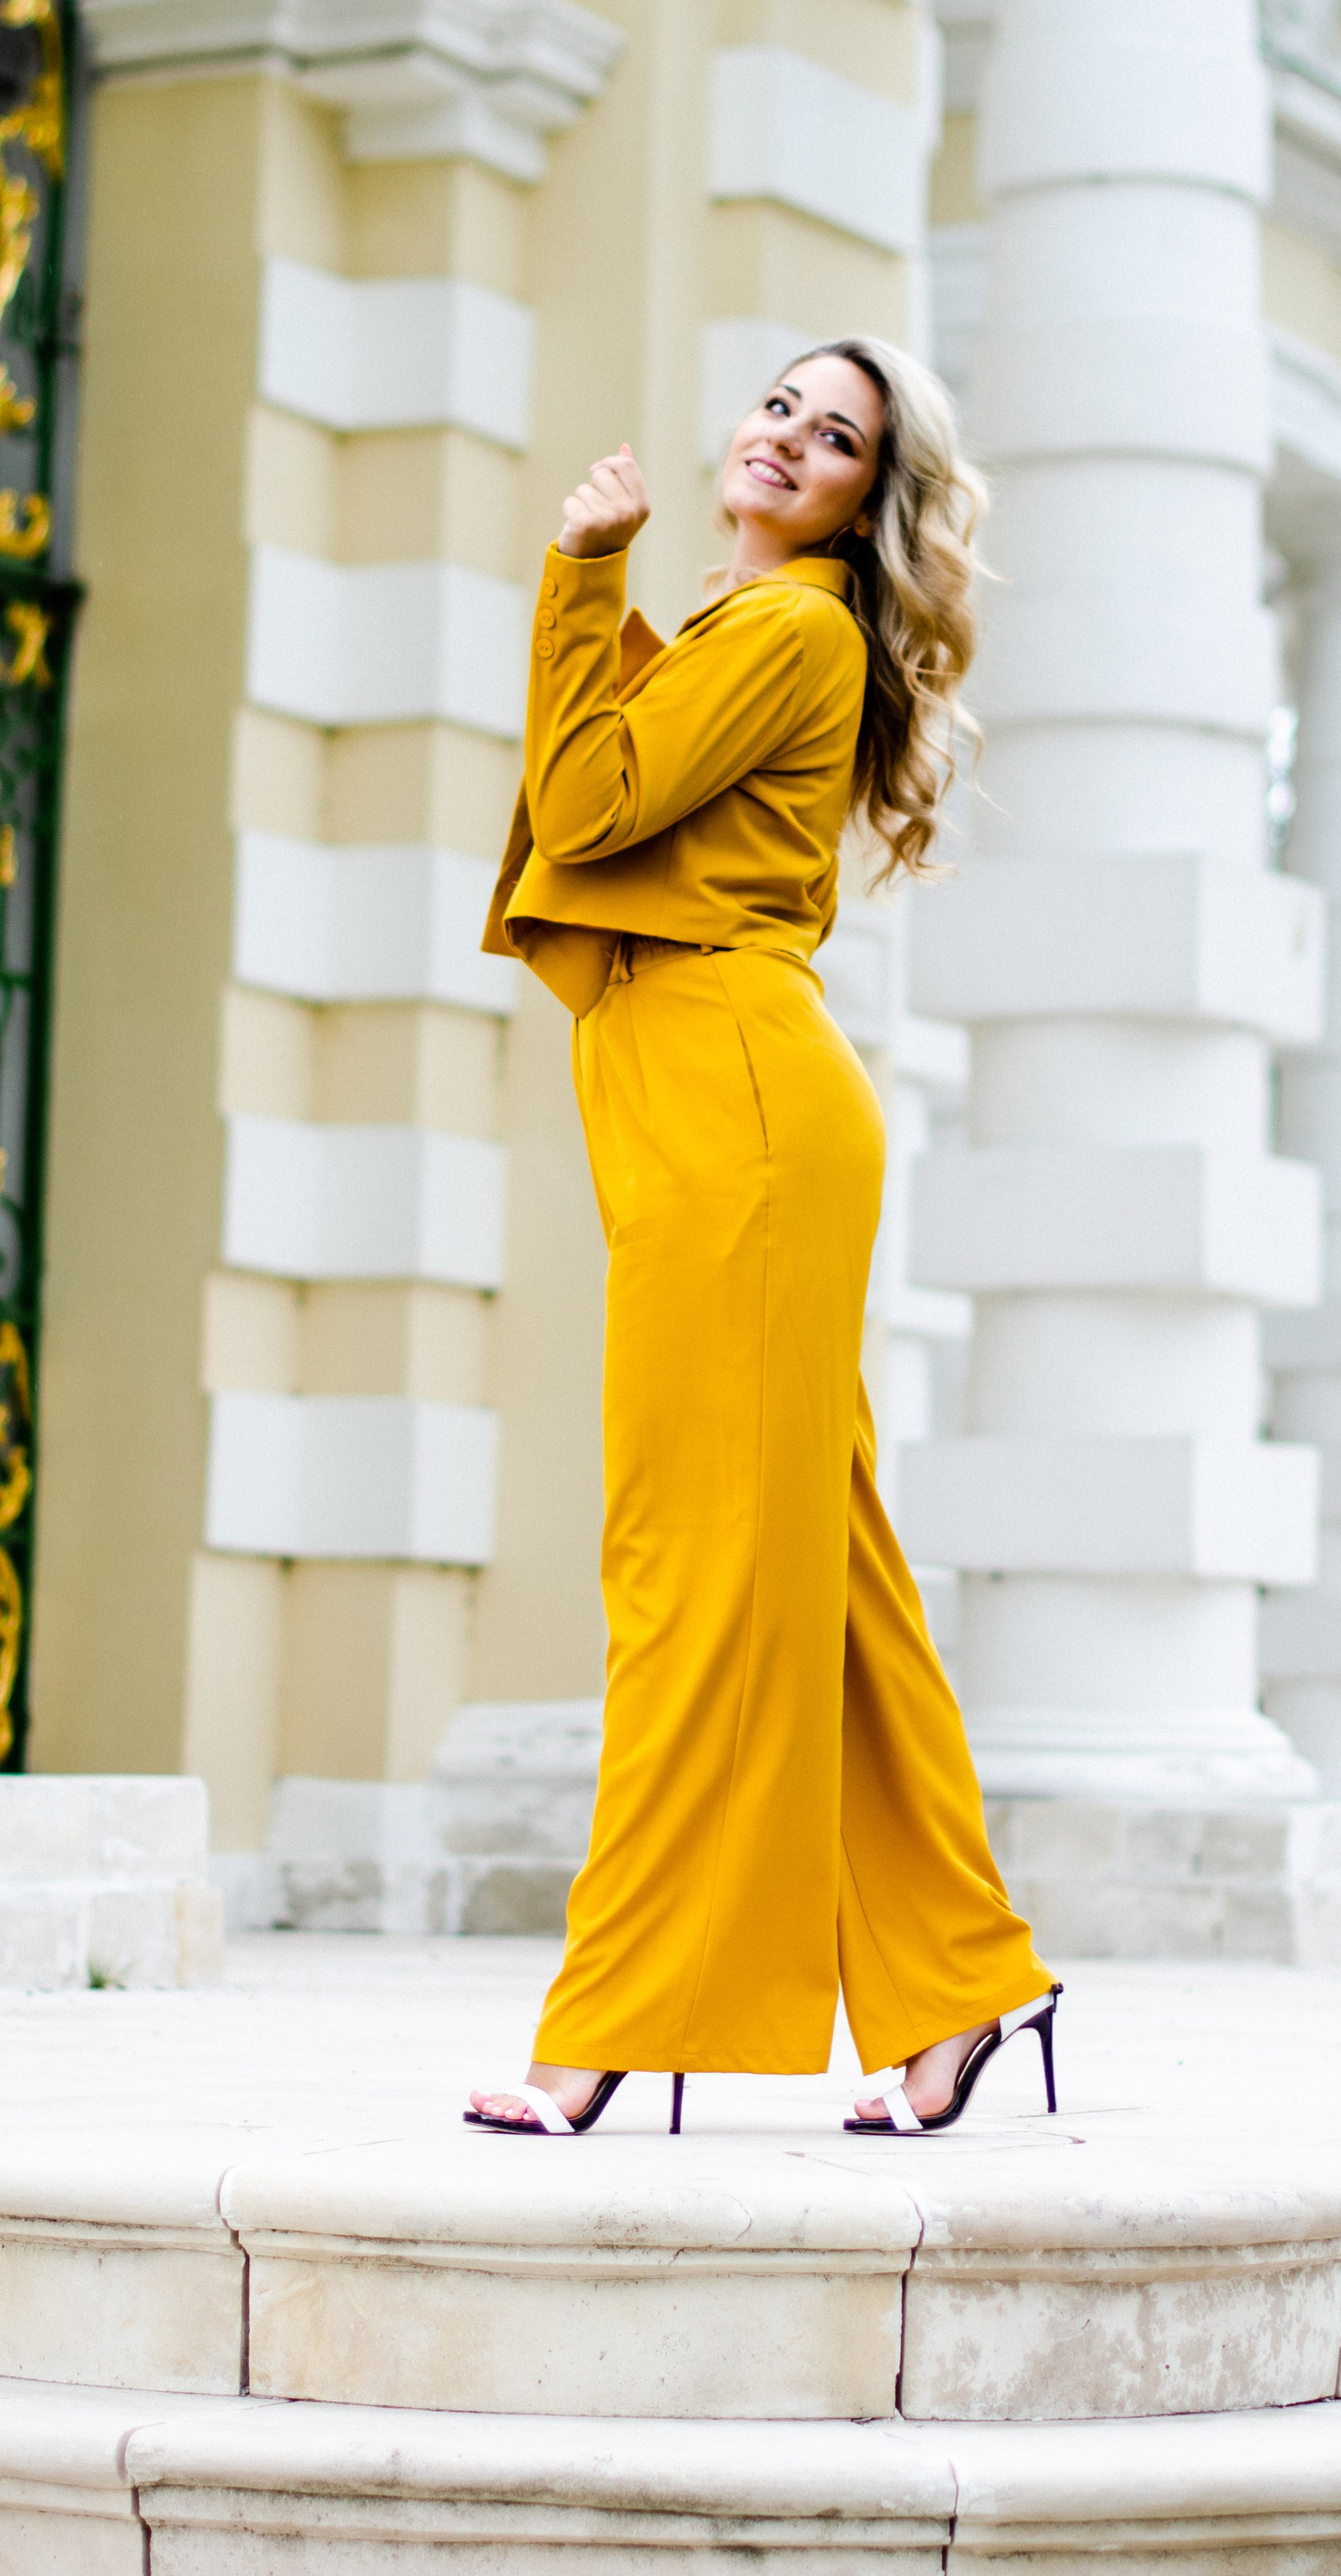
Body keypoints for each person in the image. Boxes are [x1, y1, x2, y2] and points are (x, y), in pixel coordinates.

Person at [467, 337, 1058, 2140]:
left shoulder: (789, 631)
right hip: (715, 1092)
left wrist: (579, 578)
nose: (792, 439)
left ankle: (619, 2015)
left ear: (866, 499)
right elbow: (609, 787)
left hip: (733, 1100)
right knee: (823, 1561)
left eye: (840, 437)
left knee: (689, 1570)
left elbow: (582, 807)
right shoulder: (738, 633)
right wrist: (616, 601)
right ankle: (961, 1979)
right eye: (782, 407)